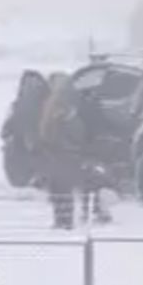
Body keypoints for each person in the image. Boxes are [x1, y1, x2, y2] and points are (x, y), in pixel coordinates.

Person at [39, 74, 83, 230]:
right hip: (55, 154)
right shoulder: (52, 102)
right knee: (57, 189)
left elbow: (75, 132)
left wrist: (64, 120)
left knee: (64, 189)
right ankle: (59, 219)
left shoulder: (67, 105)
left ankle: (66, 221)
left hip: (64, 155)